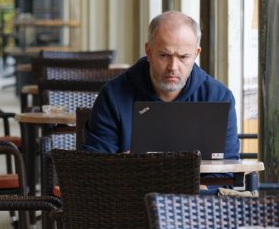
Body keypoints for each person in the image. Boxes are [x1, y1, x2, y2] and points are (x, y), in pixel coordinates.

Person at [82, 11, 240, 193]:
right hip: (129, 205)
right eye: (164, 55)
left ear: (196, 54)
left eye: (183, 57)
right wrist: (122, 164)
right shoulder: (113, 94)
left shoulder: (219, 98)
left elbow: (227, 174)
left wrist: (188, 195)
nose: (173, 67)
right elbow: (94, 166)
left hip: (197, 209)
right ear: (148, 52)